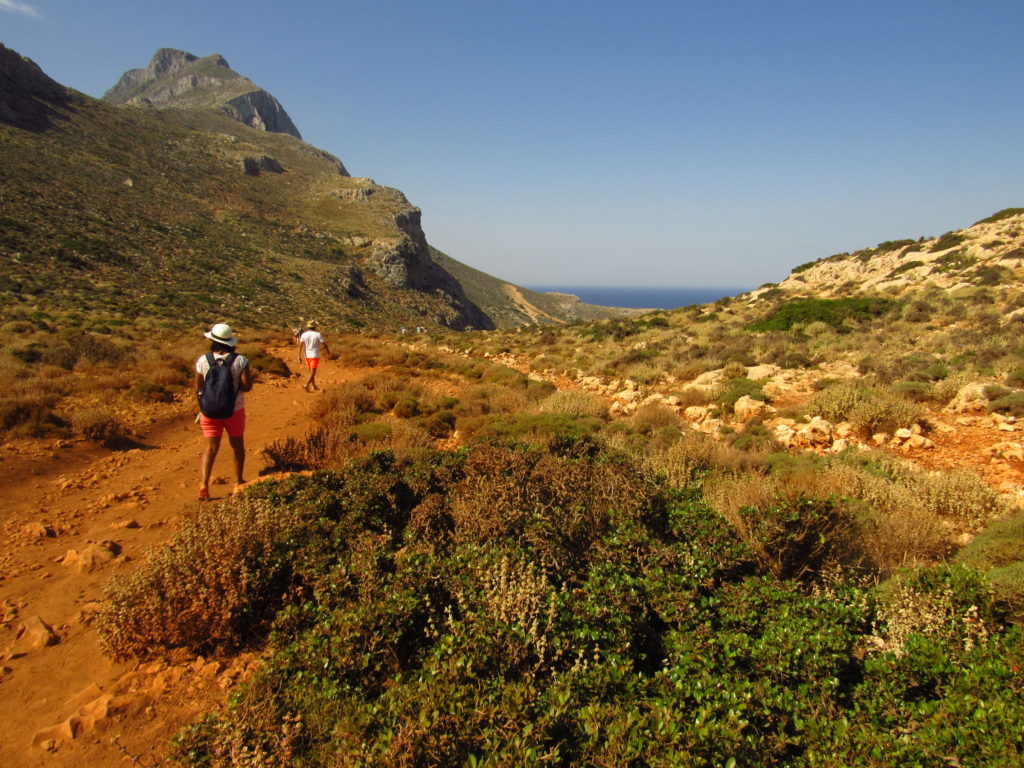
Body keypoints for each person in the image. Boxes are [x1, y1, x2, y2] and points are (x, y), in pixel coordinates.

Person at [194, 323, 252, 500]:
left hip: (209, 411)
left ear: (212, 340)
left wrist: (202, 408)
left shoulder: (203, 360)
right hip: (234, 410)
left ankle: (204, 484)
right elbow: (247, 387)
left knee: (210, 448)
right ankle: (239, 480)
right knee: (237, 447)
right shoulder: (240, 360)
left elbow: (198, 389)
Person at [298, 320, 331, 392]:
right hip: (314, 355)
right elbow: (324, 344)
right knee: (313, 372)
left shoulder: (304, 334)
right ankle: (306, 385)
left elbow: (300, 346)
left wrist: (299, 356)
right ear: (315, 327)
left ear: (308, 327)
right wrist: (328, 351)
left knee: (311, 371)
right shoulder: (318, 334)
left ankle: (313, 385)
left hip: (306, 355)